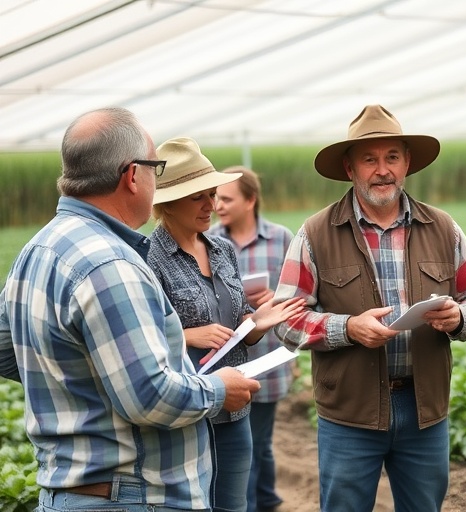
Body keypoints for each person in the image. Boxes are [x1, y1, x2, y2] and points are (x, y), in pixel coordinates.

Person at [0, 107, 262, 511]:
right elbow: (149, 396)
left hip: (68, 493)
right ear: (132, 175)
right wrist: (219, 389)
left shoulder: (38, 249)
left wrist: (86, 381)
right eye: (156, 168)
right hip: (133, 495)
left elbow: (7, 351)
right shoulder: (111, 264)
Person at [273, 104, 466, 511]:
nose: (382, 170)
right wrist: (347, 328)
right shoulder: (316, 233)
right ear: (350, 168)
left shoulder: (443, 228)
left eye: (392, 157)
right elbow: (285, 319)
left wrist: (460, 317)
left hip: (423, 410)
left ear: (407, 163)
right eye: (369, 160)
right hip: (350, 414)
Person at [147, 138, 304, 512]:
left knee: (234, 505)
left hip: (234, 409)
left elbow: (236, 325)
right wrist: (187, 335)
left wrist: (257, 323)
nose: (211, 205)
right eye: (197, 197)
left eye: (212, 194)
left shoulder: (221, 250)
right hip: (186, 413)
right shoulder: (148, 258)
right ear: (168, 202)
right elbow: (139, 336)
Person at [208, 166, 295, 512]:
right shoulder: (209, 241)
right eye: (215, 198)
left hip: (269, 359)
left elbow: (302, 295)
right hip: (227, 362)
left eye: (227, 199)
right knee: (245, 446)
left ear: (250, 201)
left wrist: (278, 297)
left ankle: (262, 500)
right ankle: (264, 500)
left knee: (258, 442)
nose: (217, 205)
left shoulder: (281, 239)